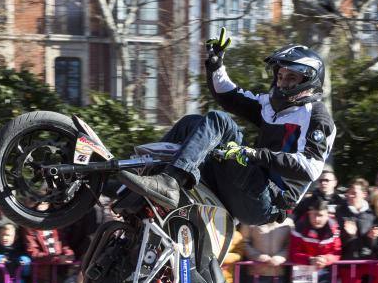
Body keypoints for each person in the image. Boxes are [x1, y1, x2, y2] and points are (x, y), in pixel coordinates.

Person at [119, 29, 335, 226]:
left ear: (308, 80)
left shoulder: (316, 115)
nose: (282, 83)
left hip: (268, 202)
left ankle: (170, 182)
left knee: (220, 121)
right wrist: (216, 64)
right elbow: (230, 96)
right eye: (280, 76)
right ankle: (133, 189)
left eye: (291, 77)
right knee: (191, 123)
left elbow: (311, 167)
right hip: (244, 187)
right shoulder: (270, 104)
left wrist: (255, 154)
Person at [240, 218, 295, 283]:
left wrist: (281, 256)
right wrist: (257, 256)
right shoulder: (250, 219)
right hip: (255, 274)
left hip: (278, 274)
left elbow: (291, 243)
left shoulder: (288, 222)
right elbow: (243, 242)